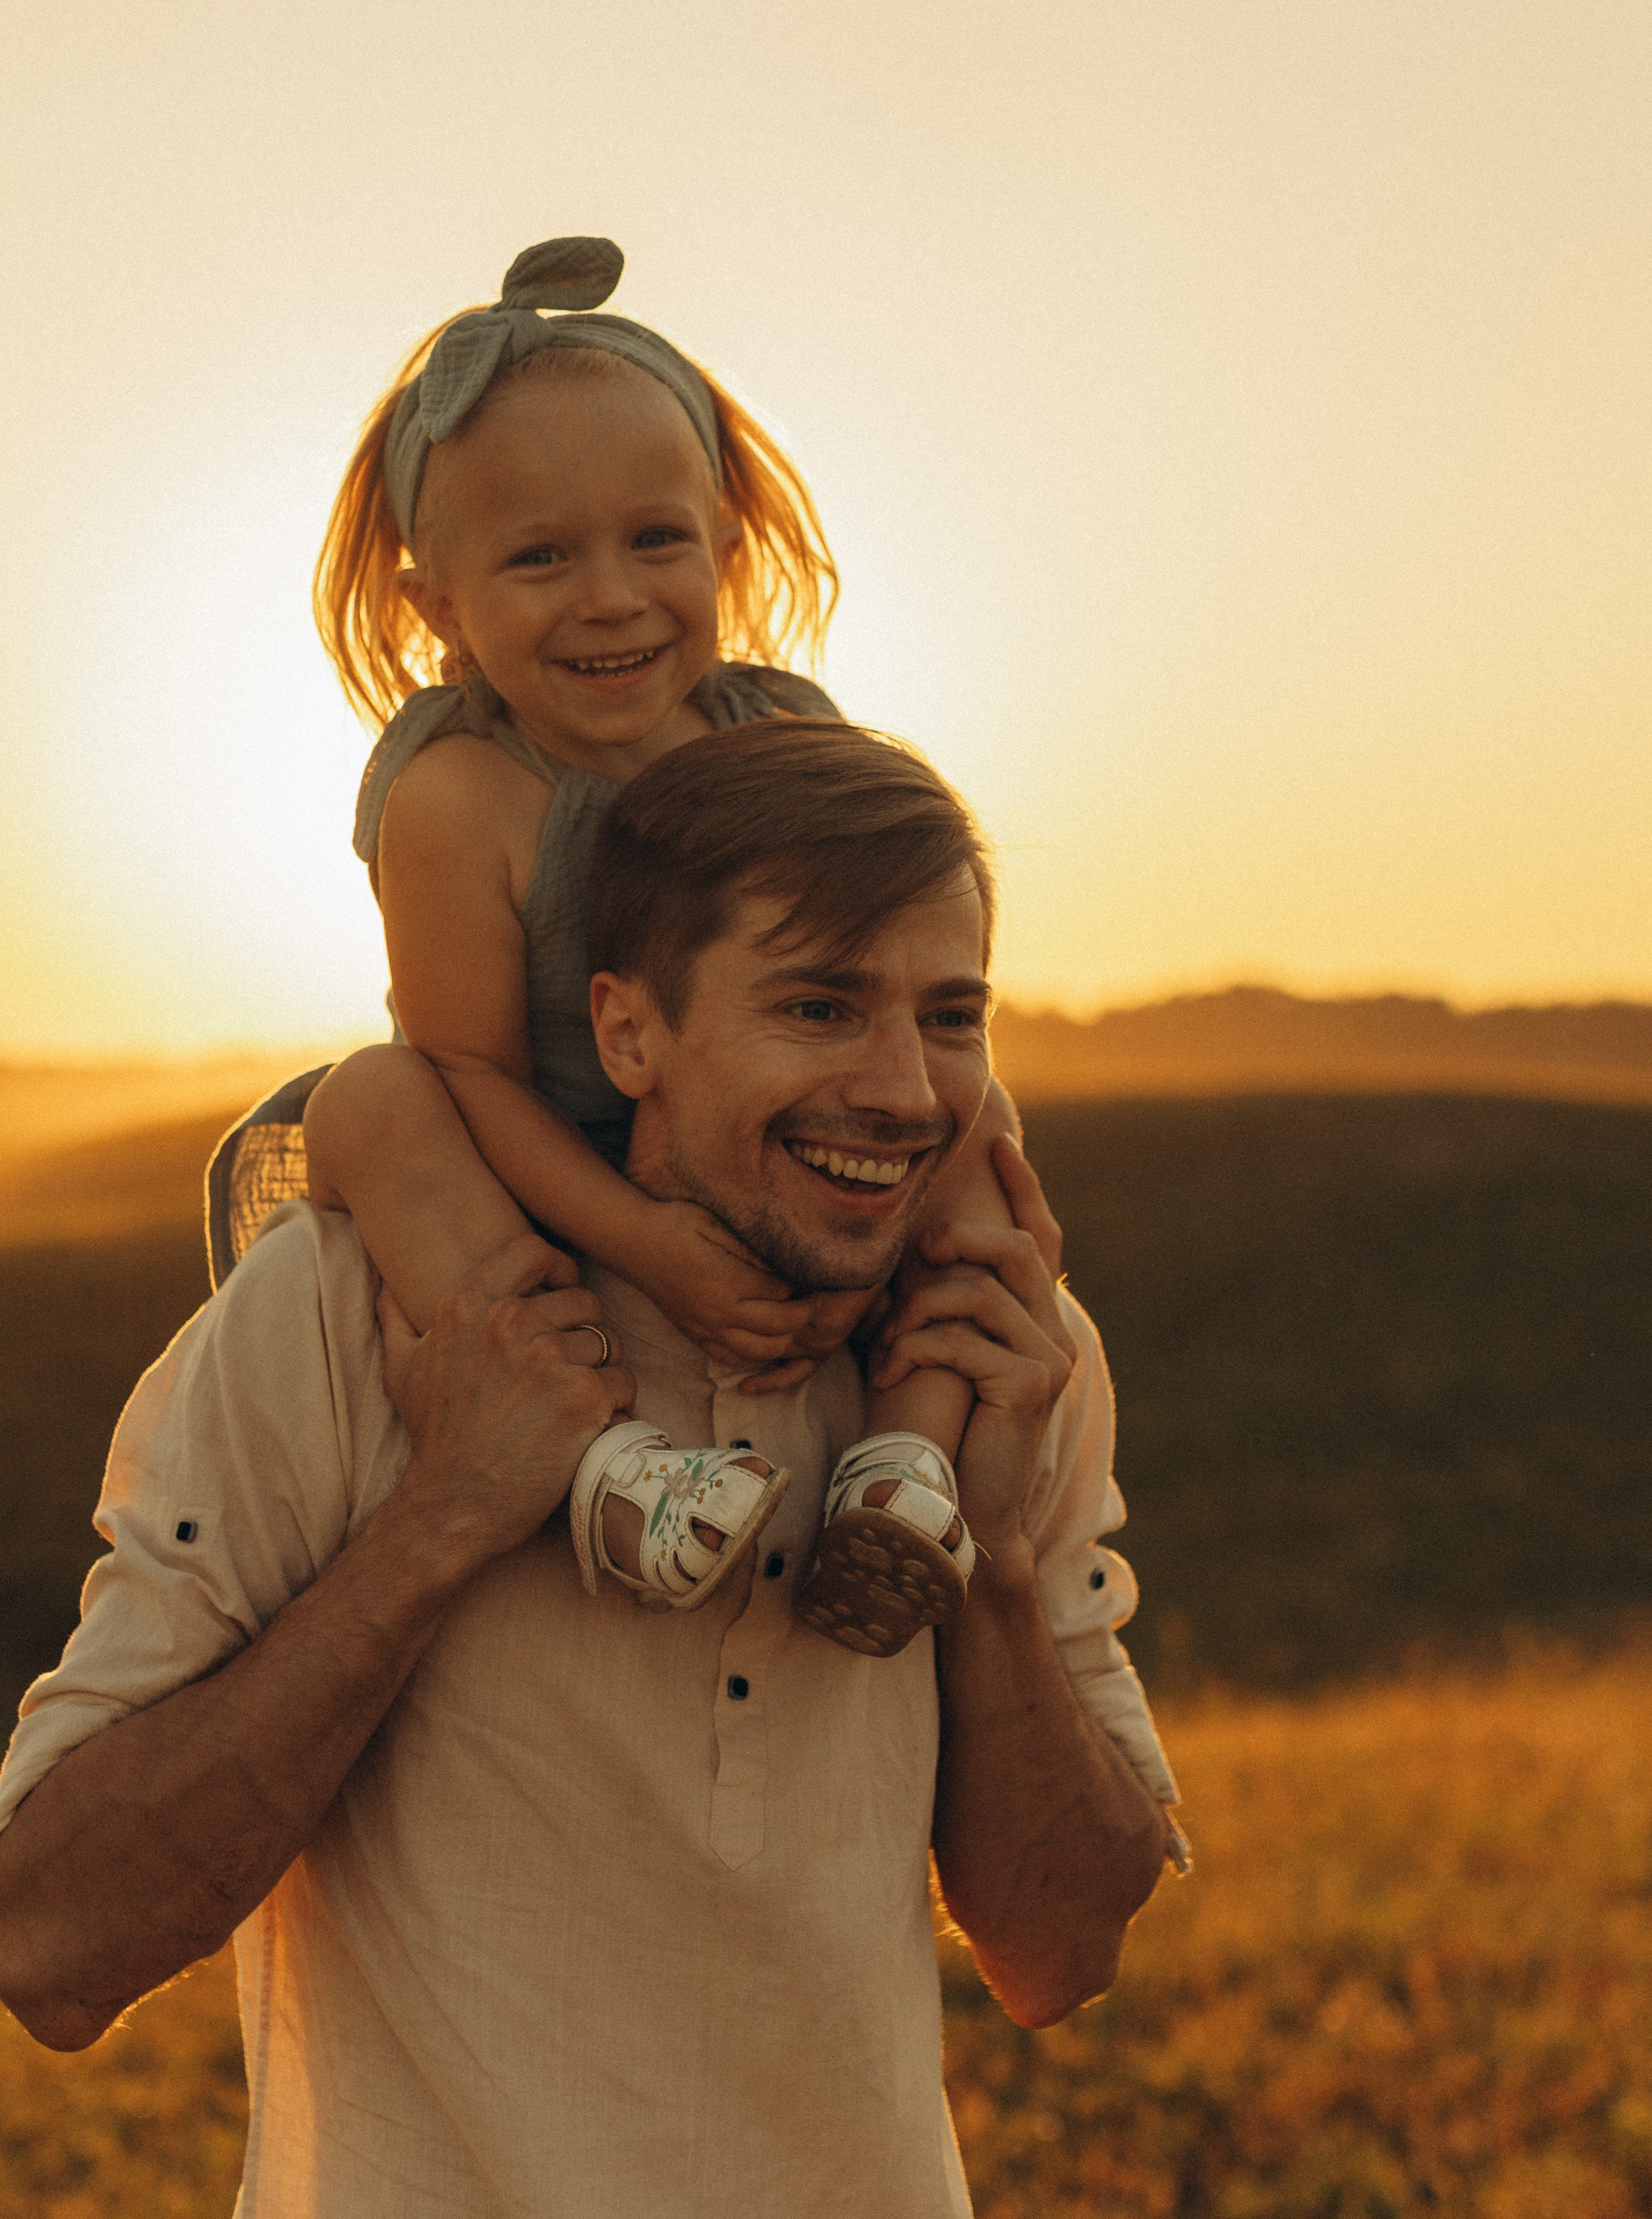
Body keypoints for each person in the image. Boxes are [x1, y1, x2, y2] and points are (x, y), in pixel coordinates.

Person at [0, 721, 1182, 2219]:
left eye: (951, 1018)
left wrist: (993, 1559)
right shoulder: (336, 1317)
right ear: (628, 1035)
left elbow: (1060, 1954)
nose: (903, 1089)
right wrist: (443, 1518)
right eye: (818, 1007)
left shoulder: (999, 1355)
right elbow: (48, 1941)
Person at [299, 232, 1007, 1656]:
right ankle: (610, 1468)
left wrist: (928, 1209)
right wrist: (650, 1247)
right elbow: (472, 1077)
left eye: (655, 540)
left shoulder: (782, 738)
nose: (611, 596)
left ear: (726, 553)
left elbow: (882, 994)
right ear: (439, 607)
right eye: (540, 557)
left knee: (953, 1082)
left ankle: (904, 1466)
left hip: (765, 1125)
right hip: (540, 1162)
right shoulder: (459, 795)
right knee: (367, 1105)